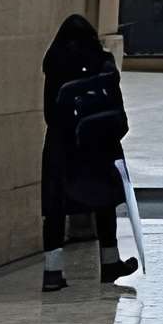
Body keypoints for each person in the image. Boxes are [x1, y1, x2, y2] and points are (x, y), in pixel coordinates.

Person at [40, 14, 138, 291]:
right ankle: (109, 263)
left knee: (56, 210)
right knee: (103, 203)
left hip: (62, 144)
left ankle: (52, 272)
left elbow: (50, 113)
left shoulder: (56, 65)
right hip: (99, 145)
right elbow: (115, 108)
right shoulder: (103, 64)